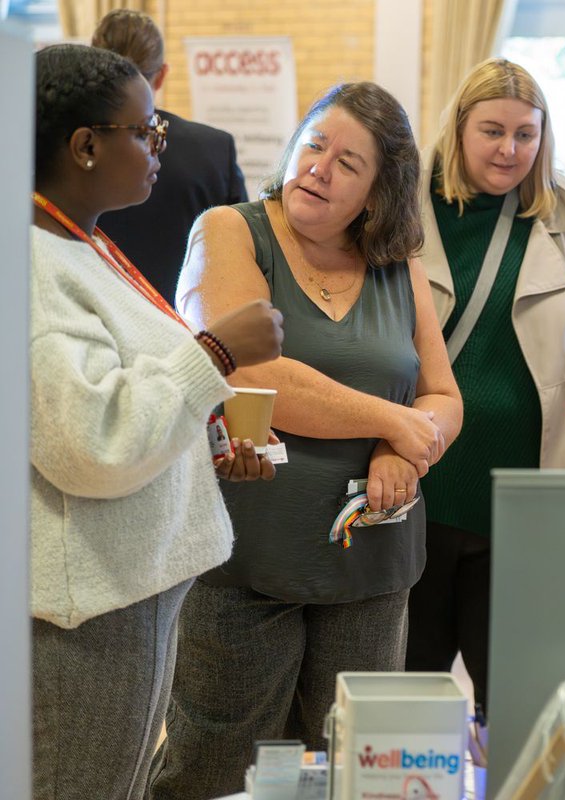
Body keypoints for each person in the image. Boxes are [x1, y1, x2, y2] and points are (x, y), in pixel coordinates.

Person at [148, 83, 463, 799]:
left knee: (352, 769)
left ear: (379, 195)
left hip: (371, 568)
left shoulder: (397, 265)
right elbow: (248, 367)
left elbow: (442, 398)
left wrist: (402, 449)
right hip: (245, 564)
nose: (319, 167)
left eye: (348, 163)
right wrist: (391, 421)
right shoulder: (230, 230)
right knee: (215, 769)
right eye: (314, 145)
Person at [30, 44, 283, 800]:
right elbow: (92, 445)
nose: (158, 150)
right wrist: (215, 350)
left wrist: (204, 446)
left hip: (127, 589)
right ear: (84, 146)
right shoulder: (38, 265)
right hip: (90, 611)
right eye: (146, 133)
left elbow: (120, 397)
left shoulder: (81, 243)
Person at [405, 58, 565, 712]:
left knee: (522, 698)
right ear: (459, 128)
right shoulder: (404, 205)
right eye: (493, 131)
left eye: (526, 134)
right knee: (409, 696)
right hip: (421, 489)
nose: (510, 150)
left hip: (531, 495)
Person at [92, 9, 249, 301]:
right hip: (188, 326)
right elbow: (244, 254)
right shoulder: (212, 149)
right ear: (162, 74)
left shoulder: (63, 148)